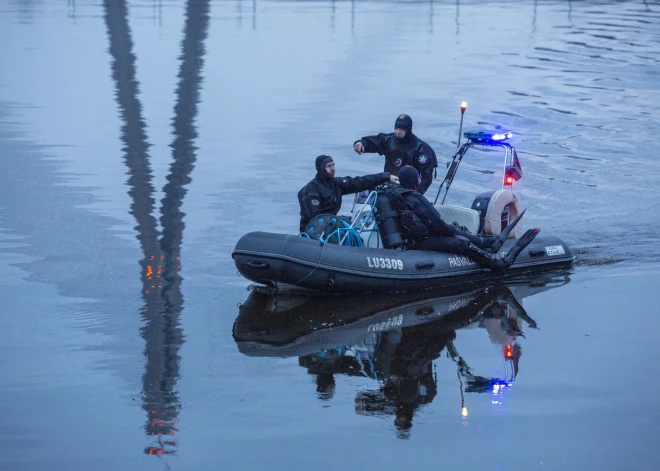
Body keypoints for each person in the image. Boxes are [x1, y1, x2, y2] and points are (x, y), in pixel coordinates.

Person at [376, 166, 539, 272]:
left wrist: (449, 229)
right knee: (460, 241)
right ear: (414, 180)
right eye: (418, 178)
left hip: (410, 239)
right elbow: (437, 224)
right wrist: (451, 230)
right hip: (418, 242)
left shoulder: (394, 194)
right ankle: (497, 263)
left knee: (453, 230)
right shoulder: (414, 198)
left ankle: (490, 243)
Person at [298, 154, 399, 232]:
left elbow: (360, 182)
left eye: (333, 165)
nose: (333, 168)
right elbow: (316, 217)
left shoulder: (336, 184)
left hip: (330, 225)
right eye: (329, 166)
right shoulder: (312, 189)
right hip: (312, 231)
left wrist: (386, 176)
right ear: (321, 169)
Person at [353, 114, 438, 195]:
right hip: (389, 185)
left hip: (410, 189)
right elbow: (373, 142)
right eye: (396, 128)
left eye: (401, 129)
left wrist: (417, 195)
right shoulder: (388, 140)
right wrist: (361, 143)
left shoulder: (421, 149)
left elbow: (427, 178)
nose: (397, 132)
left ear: (408, 129)